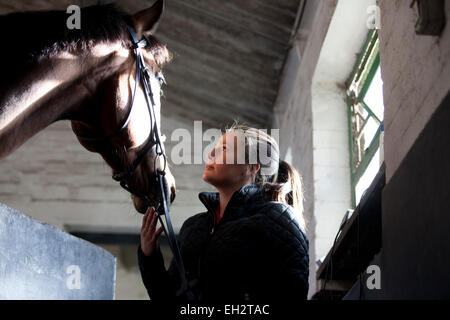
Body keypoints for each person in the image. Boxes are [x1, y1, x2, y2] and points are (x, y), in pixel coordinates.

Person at [137, 123, 309, 302]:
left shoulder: (280, 220)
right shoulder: (194, 227)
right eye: (215, 148)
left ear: (251, 167)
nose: (211, 154)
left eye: (224, 148)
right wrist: (150, 256)